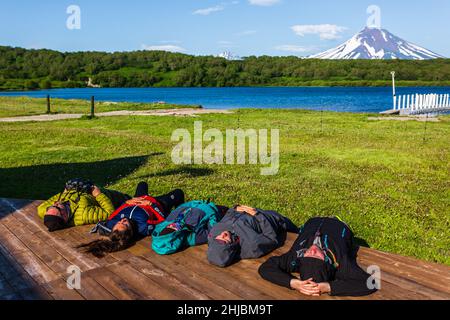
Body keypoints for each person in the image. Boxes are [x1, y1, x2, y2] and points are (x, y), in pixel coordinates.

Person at [258, 217, 378, 297]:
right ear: (326, 261)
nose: (313, 250)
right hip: (339, 225)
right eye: (317, 255)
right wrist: (329, 287)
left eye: (308, 254)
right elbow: (371, 283)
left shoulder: (295, 259)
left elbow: (265, 268)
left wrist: (293, 283)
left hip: (313, 222)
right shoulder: (340, 263)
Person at [78, 182, 184, 258]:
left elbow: (112, 215)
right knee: (178, 192)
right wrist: (151, 205)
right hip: (158, 203)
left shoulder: (112, 224)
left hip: (138, 198)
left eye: (119, 222)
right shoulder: (143, 227)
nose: (122, 220)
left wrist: (126, 203)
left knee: (142, 184)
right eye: (125, 224)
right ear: (130, 230)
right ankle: (182, 213)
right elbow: (163, 220)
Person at [207, 205, 298, 267]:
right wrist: (257, 215)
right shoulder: (252, 246)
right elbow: (271, 238)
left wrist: (235, 208)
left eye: (218, 237)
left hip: (243, 212)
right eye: (225, 239)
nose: (223, 234)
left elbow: (226, 217)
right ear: (232, 246)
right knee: (294, 229)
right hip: (268, 218)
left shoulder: (215, 232)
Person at [37, 178, 130, 232]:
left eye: (50, 207)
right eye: (57, 207)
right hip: (112, 198)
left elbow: (52, 202)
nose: (55, 203)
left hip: (80, 192)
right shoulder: (83, 215)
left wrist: (65, 192)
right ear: (65, 216)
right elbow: (109, 213)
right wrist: (98, 194)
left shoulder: (43, 210)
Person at [152, 200, 228, 255]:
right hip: (215, 209)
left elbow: (180, 209)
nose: (171, 225)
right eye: (173, 228)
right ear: (177, 236)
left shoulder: (167, 223)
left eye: (168, 227)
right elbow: (212, 231)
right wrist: (211, 211)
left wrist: (193, 203)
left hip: (196, 203)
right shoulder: (193, 237)